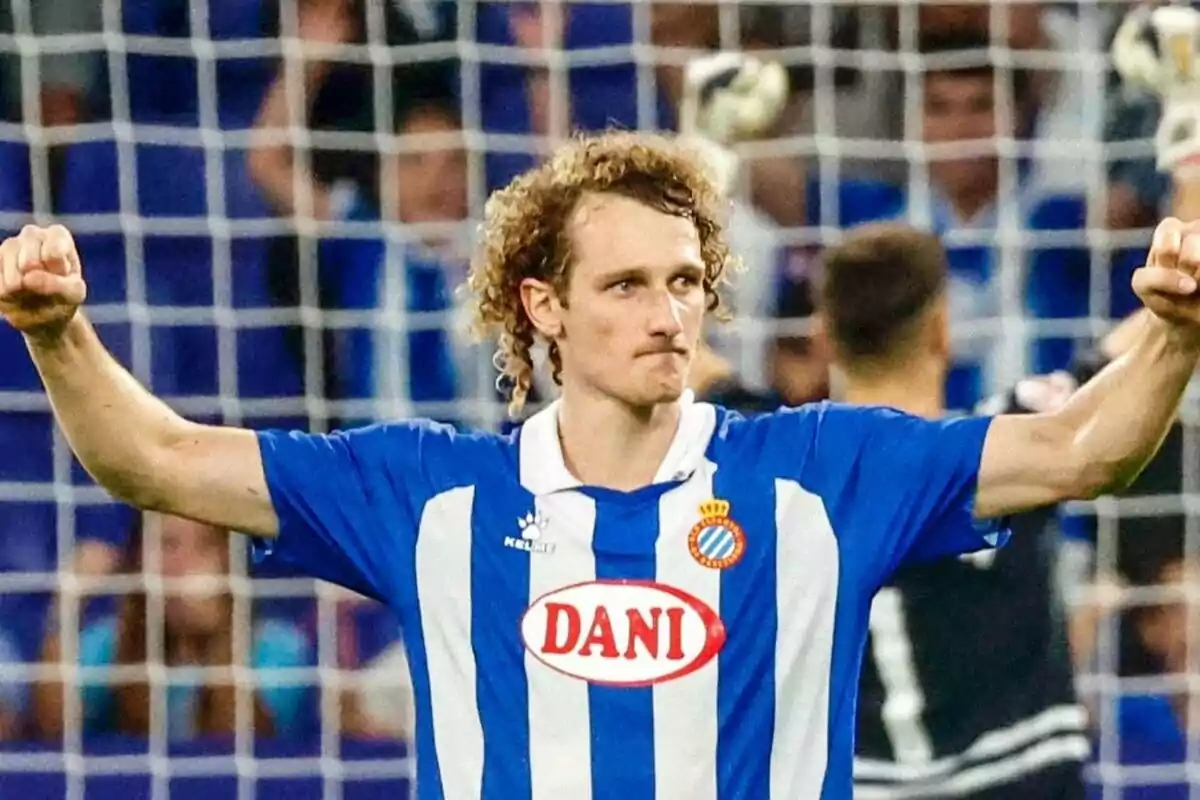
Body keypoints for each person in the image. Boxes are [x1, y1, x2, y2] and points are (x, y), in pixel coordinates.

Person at [6, 60, 1200, 800]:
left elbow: (1085, 449)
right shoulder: (430, 492)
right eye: (627, 284)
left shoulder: (820, 469)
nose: (670, 311)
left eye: (686, 281)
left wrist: (1179, 331)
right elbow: (152, 457)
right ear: (544, 306)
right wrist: (60, 334)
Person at [813, 222, 1090, 798]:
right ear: (942, 329)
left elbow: (702, 383)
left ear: (826, 339)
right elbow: (1138, 353)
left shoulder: (782, 478)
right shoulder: (1014, 443)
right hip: (1022, 777)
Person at [30, 512, 312, 741]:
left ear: (231, 560)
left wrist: (223, 634)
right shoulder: (109, 641)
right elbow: (55, 730)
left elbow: (242, 746)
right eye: (167, 544)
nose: (182, 564)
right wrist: (66, 608)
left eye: (204, 547)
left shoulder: (280, 646)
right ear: (139, 559)